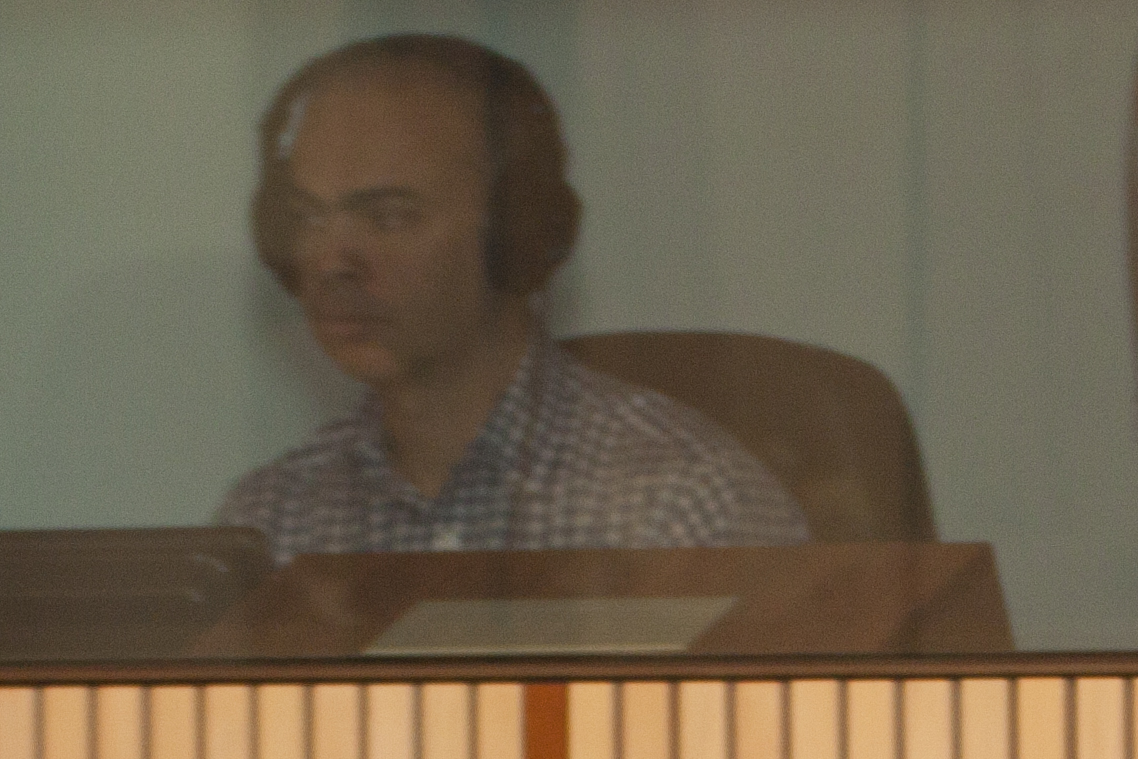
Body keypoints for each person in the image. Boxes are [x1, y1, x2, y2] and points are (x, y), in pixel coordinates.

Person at [220, 35, 805, 557]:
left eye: (390, 216)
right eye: (307, 217)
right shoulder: (275, 520)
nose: (331, 263)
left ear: (514, 230)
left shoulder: (681, 504)